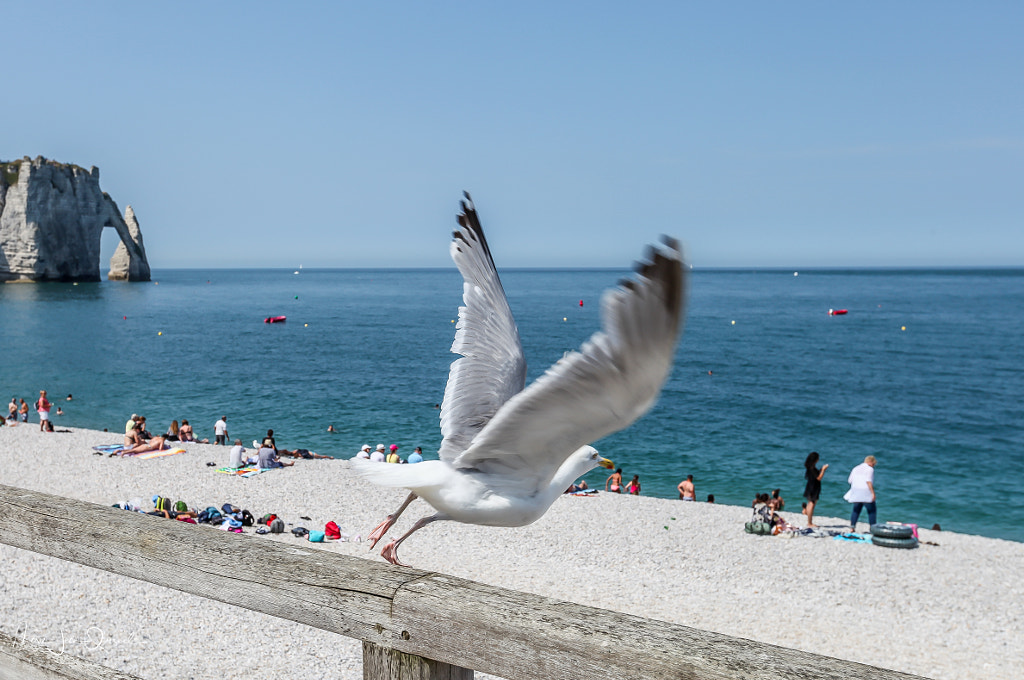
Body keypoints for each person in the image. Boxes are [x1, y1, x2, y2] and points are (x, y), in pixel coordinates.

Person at [845, 455, 877, 530]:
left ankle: (852, 527)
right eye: (874, 464)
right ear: (871, 462)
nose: (873, 466)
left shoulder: (855, 468)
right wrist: (873, 493)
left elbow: (849, 481)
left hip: (856, 490)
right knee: (871, 510)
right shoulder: (870, 469)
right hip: (865, 491)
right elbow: (868, 481)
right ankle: (873, 528)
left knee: (856, 509)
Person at [803, 451, 828, 528]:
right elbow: (819, 478)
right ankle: (809, 523)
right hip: (813, 488)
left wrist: (820, 470)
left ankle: (806, 513)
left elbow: (815, 474)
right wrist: (823, 470)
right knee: (812, 504)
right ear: (815, 459)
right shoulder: (812, 468)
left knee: (811, 503)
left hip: (811, 486)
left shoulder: (810, 467)